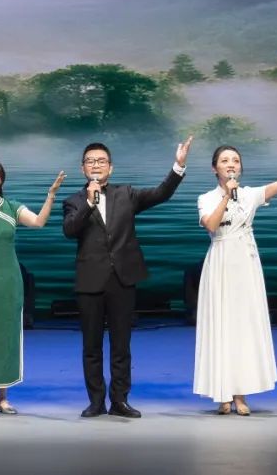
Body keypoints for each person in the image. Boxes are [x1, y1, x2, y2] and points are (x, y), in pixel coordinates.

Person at [193, 133, 277, 415]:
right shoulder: (206, 198)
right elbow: (212, 226)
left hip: (246, 264)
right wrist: (226, 196)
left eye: (235, 160)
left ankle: (240, 394)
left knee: (243, 326)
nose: (231, 164)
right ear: (214, 168)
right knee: (221, 326)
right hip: (220, 263)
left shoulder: (251, 195)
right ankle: (222, 394)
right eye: (225, 160)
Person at [62, 137, 193, 419]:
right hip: (90, 280)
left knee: (121, 345)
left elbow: (160, 194)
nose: (96, 165)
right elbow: (70, 230)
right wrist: (89, 202)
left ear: (111, 167)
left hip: (122, 278)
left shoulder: (126, 194)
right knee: (91, 346)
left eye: (101, 161)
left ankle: (120, 400)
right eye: (90, 161)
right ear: (83, 168)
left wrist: (178, 167)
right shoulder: (73, 201)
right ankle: (96, 401)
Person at [0, 159, 66, 416]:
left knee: (8, 335)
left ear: (1, 178)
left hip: (10, 280)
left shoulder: (12, 207)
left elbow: (38, 222)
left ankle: (5, 396)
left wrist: (51, 196)